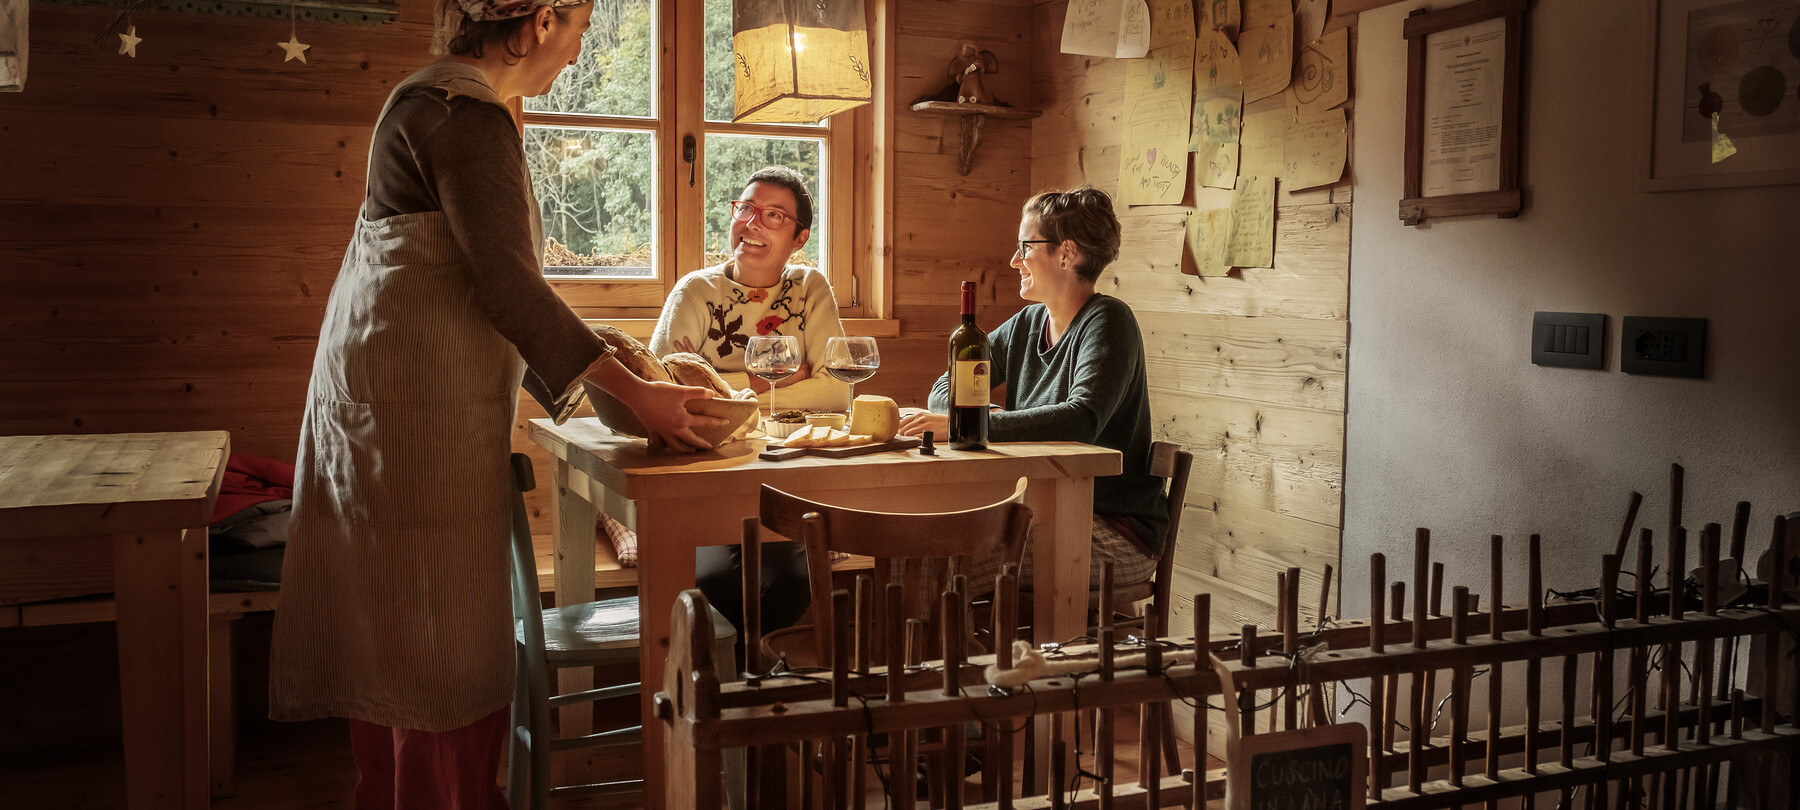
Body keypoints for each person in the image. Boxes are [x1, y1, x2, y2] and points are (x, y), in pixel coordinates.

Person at [267, 1, 725, 806]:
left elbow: (477, 282)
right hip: (412, 420)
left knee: (399, 645)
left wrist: (608, 373)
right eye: (581, 26)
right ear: (542, 18)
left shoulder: (430, 103)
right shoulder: (463, 118)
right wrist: (641, 397)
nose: (579, 52)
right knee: (438, 652)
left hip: (383, 406)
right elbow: (509, 287)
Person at [899, 187, 1169, 594]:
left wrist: (970, 424)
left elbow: (1081, 419)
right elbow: (945, 386)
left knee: (936, 565)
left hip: (1114, 531)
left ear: (1066, 253)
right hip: (1040, 512)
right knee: (913, 549)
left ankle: (956, 659)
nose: (1013, 260)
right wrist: (967, 418)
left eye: (1025, 247)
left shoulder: (1109, 321)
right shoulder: (1028, 323)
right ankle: (964, 657)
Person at [647, 165, 848, 664]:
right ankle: (737, 692)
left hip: (791, 481)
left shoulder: (809, 289)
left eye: (774, 215)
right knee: (722, 577)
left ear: (799, 237)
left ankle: (747, 690)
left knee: (786, 578)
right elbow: (664, 393)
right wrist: (777, 384)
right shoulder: (696, 292)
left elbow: (840, 394)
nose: (752, 223)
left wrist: (724, 396)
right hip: (703, 477)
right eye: (746, 208)